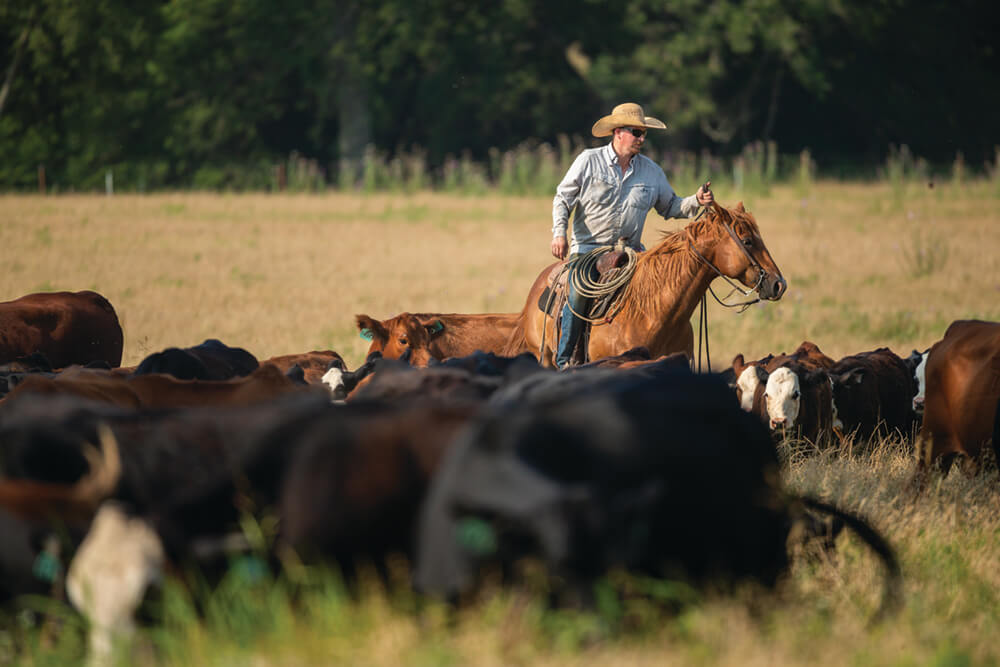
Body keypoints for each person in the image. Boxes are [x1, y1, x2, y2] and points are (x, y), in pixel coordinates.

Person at [551, 102, 714, 369]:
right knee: (578, 293)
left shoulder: (651, 171)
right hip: (589, 249)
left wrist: (695, 200)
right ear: (617, 132)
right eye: (636, 132)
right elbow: (563, 198)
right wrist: (559, 233)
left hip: (632, 252)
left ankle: (660, 352)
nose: (641, 138)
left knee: (664, 292)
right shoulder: (588, 161)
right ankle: (565, 360)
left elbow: (670, 206)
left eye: (643, 134)